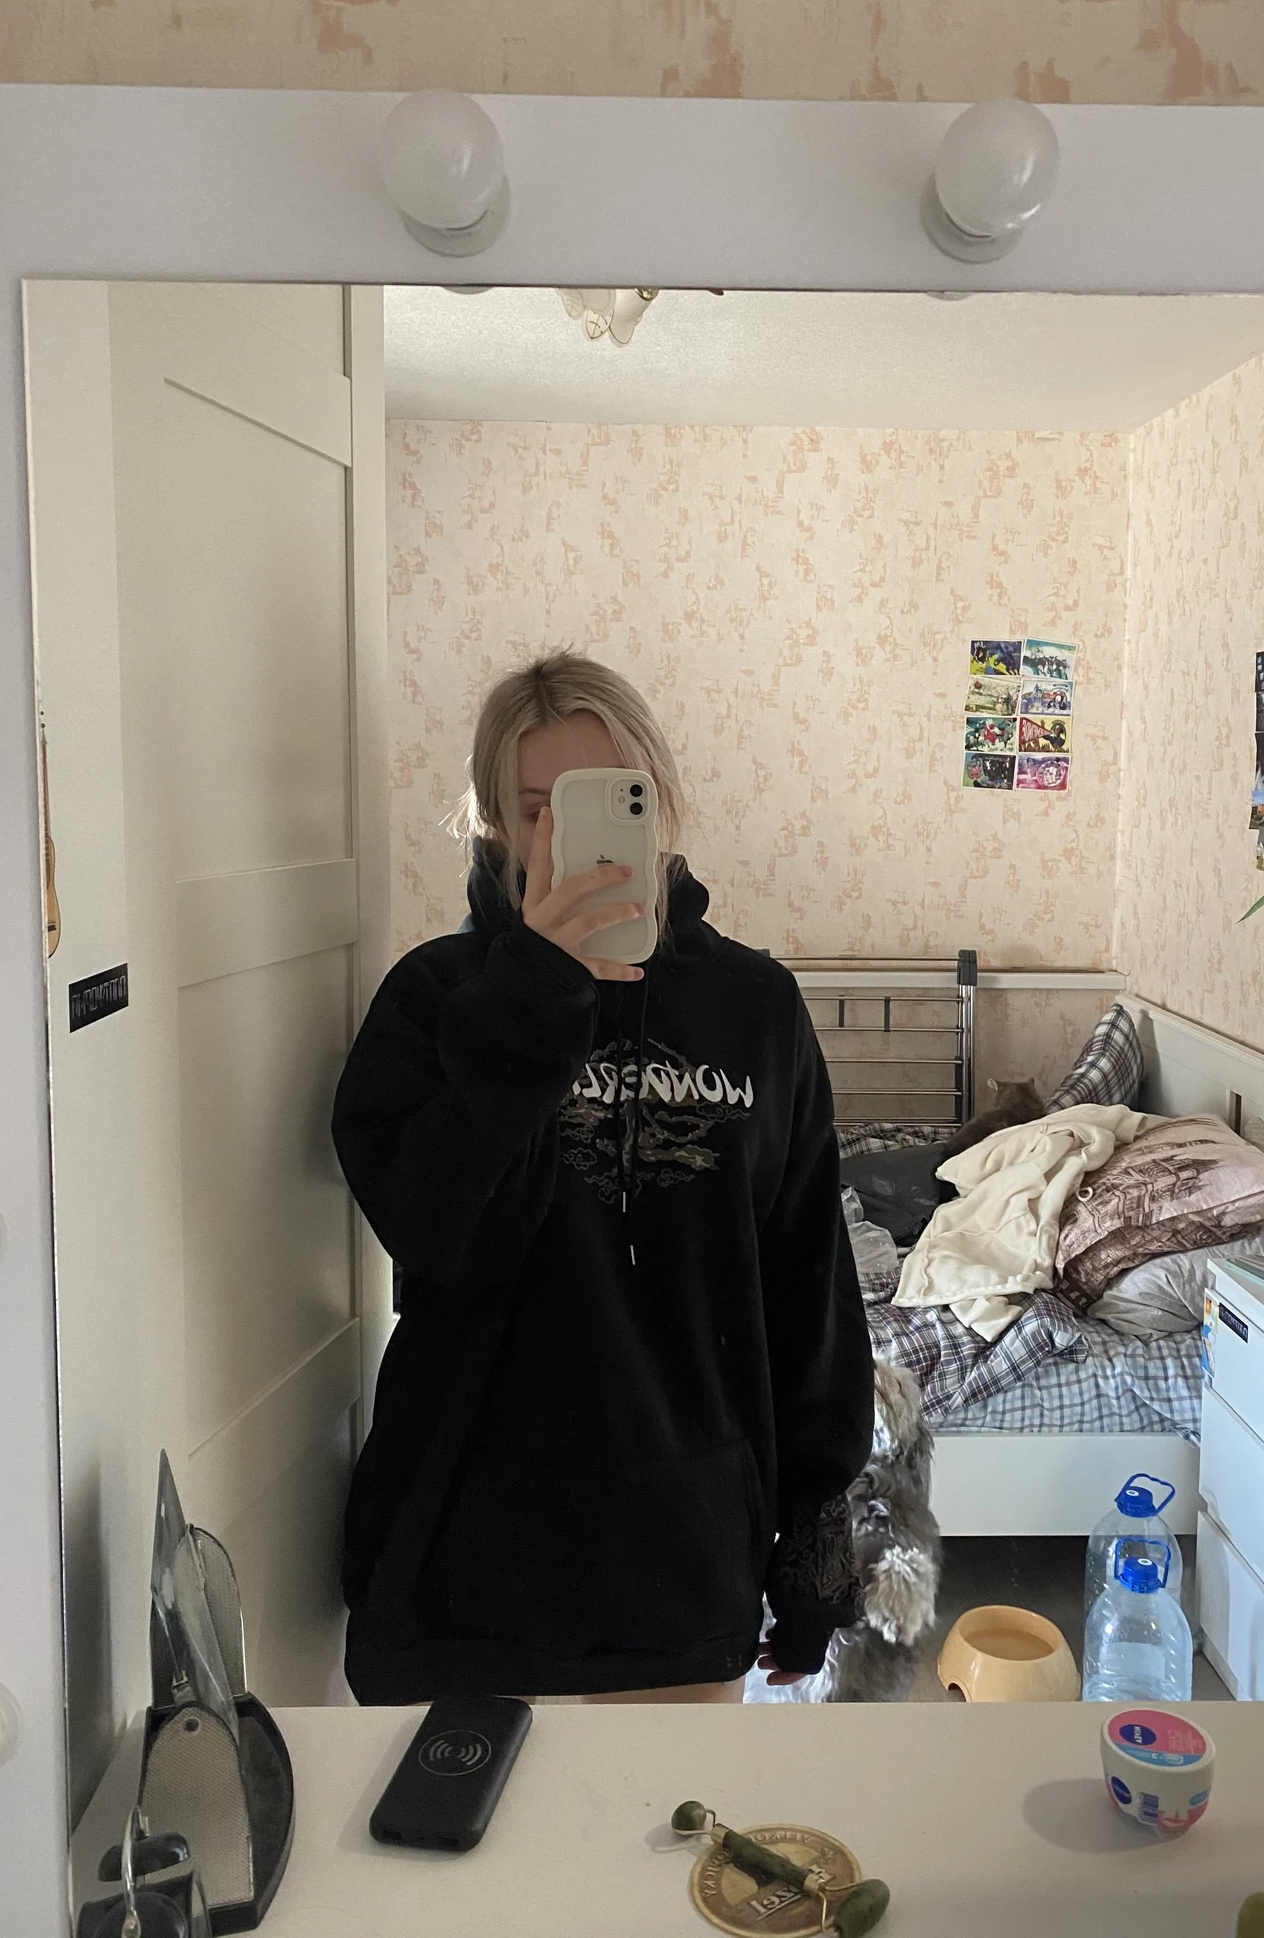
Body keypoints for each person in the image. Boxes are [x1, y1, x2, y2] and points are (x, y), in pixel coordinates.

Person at [332, 650, 874, 1704]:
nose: (562, 839)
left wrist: (814, 1537)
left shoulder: (757, 1007)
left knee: (667, 1819)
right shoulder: (434, 1000)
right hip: (462, 1567)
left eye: (601, 798)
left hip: (682, 1564)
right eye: (537, 809)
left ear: (659, 798)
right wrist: (534, 996)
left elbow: (806, 1279)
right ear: (495, 824)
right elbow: (446, 1236)